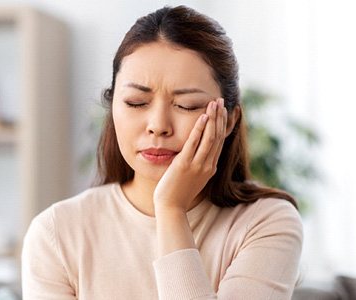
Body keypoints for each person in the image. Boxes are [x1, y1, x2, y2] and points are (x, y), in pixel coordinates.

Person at [22, 5, 302, 300]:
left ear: (229, 119)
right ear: (112, 107)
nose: (158, 126)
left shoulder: (266, 223)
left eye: (187, 105)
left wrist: (170, 209)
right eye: (136, 102)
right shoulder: (57, 233)